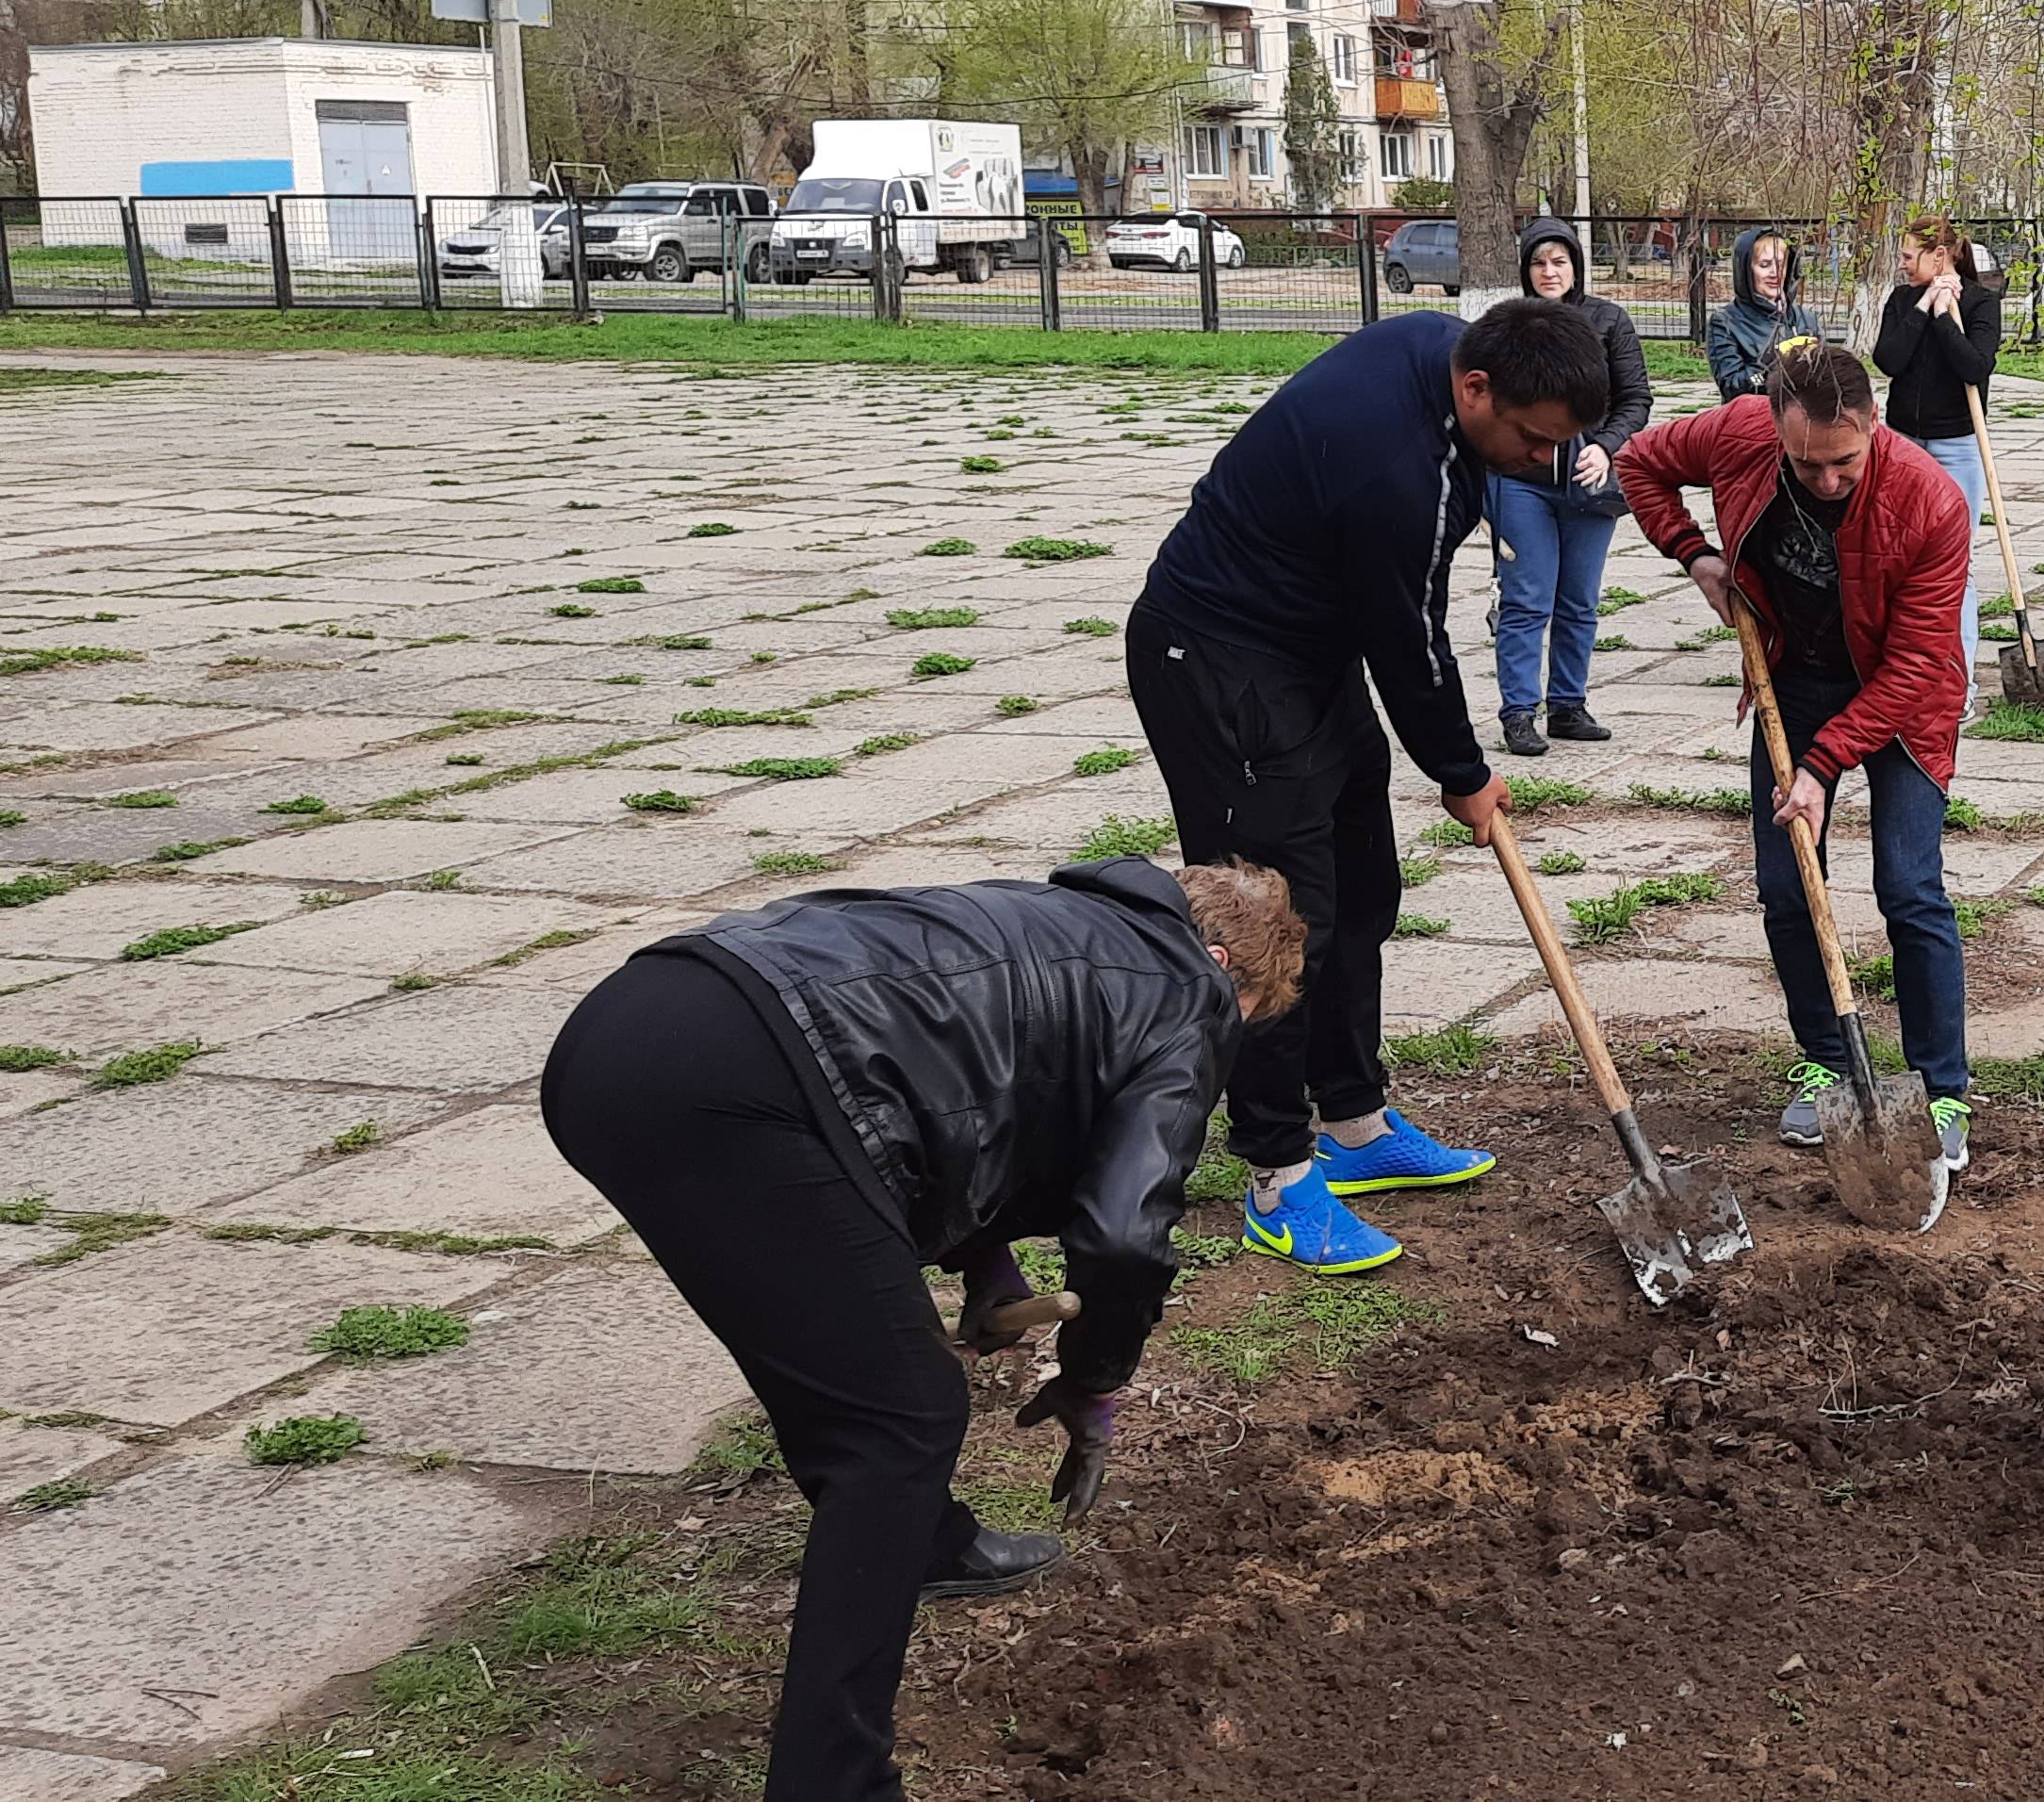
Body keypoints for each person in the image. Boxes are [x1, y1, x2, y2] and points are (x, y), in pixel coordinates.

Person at [541, 857, 1303, 1802]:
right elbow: (1119, 1231)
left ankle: (930, 1544)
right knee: (897, 1421)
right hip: (740, 1084)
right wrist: (1096, 1375)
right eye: (1248, 1017)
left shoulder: (1054, 921)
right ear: (1224, 965)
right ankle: (836, 1784)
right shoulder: (1186, 994)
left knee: (852, 1359)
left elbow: (957, 1092)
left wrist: (985, 1264)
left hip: (625, 1032)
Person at [1124, 299, 1608, 1275]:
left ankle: (1352, 1120)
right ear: (1475, 389)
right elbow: (1411, 642)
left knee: (1357, 893)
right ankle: (1276, 1173)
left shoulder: (1438, 346)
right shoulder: (1402, 476)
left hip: (1307, 652)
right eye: (1526, 437)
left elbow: (1394, 626)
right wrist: (1465, 776)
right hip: (1216, 660)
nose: (1532, 461)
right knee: (1268, 921)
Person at [1619, 341, 1981, 1171]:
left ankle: (1941, 1086)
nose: (1825, 480)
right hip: (1794, 685)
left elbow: (1920, 662)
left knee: (1909, 885)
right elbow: (1640, 464)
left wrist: (1822, 766)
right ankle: (1825, 1063)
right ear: (1777, 429)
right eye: (1806, 462)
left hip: (1903, 703)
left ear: (1873, 424)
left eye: (1844, 462)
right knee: (1787, 888)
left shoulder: (1929, 500)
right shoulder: (1741, 433)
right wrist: (1695, 553)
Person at [1491, 217, 1655, 756]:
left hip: (1590, 483)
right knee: (1527, 597)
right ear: (1525, 269)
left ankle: (1567, 705)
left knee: (1579, 600)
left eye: (1559, 261)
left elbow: (1636, 400)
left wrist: (1604, 445)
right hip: (1521, 482)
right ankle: (1518, 711)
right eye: (1538, 262)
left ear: (1577, 266)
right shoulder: (1506, 326)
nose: (1549, 271)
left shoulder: (1609, 320)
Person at [1872, 212, 2003, 678]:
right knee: (1894, 559)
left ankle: (1957, 680)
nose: (1904, 265)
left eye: (1910, 257)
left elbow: (1974, 367)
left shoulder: (1982, 303)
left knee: (1954, 567)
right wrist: (1926, 304)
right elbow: (1888, 359)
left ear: (1939, 255)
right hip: (1902, 444)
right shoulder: (1904, 299)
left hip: (1959, 448)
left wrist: (1948, 315)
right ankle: (1899, 673)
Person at [1707, 224, 1826, 400]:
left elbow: (1827, 379)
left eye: (1780, 264)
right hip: (1753, 420)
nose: (1774, 273)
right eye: (1764, 265)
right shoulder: (1725, 322)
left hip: (1802, 420)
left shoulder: (1806, 319)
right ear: (1746, 271)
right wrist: (1775, 364)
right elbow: (1732, 385)